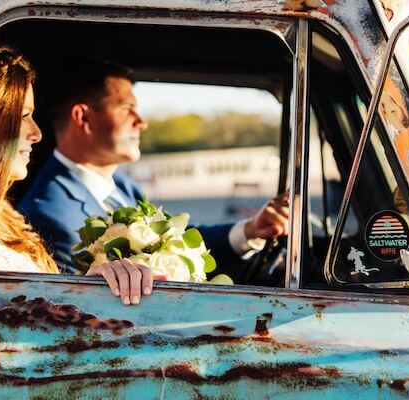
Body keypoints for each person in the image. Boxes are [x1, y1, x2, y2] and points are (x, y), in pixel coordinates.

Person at [0, 43, 154, 306]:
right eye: (24, 115)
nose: (36, 133)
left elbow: (45, 309)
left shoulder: (8, 218)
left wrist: (88, 287)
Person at [18, 59, 289, 274]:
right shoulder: (49, 214)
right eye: (127, 109)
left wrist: (251, 230)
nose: (142, 122)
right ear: (84, 118)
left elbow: (172, 240)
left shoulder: (122, 185)